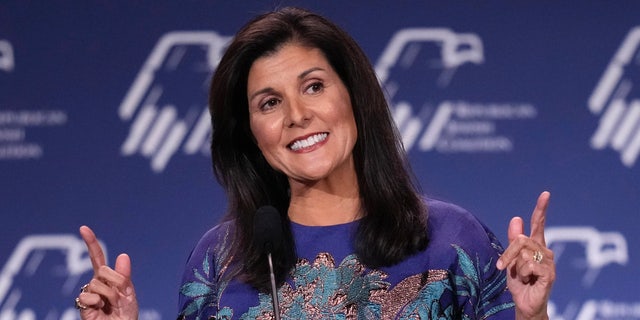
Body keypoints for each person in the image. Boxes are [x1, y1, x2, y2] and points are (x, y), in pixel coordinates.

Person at [75, 7, 555, 319]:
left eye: (314, 86)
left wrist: (532, 315)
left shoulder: (451, 239)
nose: (298, 116)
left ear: (354, 95)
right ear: (250, 133)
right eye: (269, 103)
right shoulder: (221, 258)